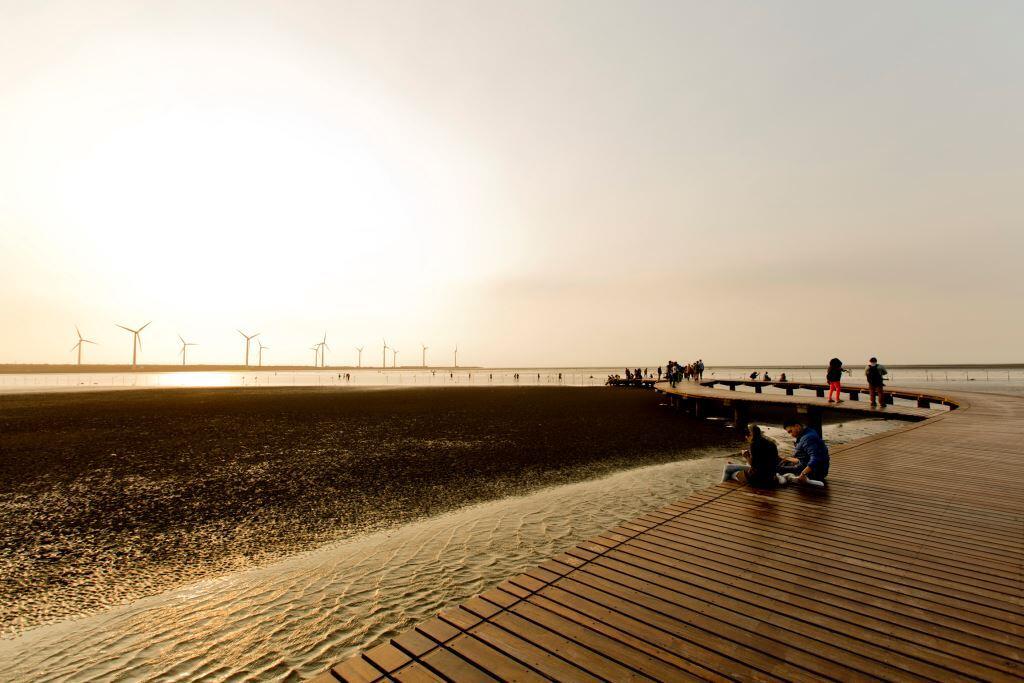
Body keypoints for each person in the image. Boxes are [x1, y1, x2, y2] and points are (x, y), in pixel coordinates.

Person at [779, 420, 829, 484]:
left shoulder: (807, 438)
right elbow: (805, 458)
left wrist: (803, 474)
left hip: (815, 473)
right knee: (783, 462)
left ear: (797, 426)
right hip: (817, 469)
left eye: (791, 431)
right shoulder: (808, 432)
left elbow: (816, 458)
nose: (791, 435)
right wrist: (787, 458)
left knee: (776, 468)